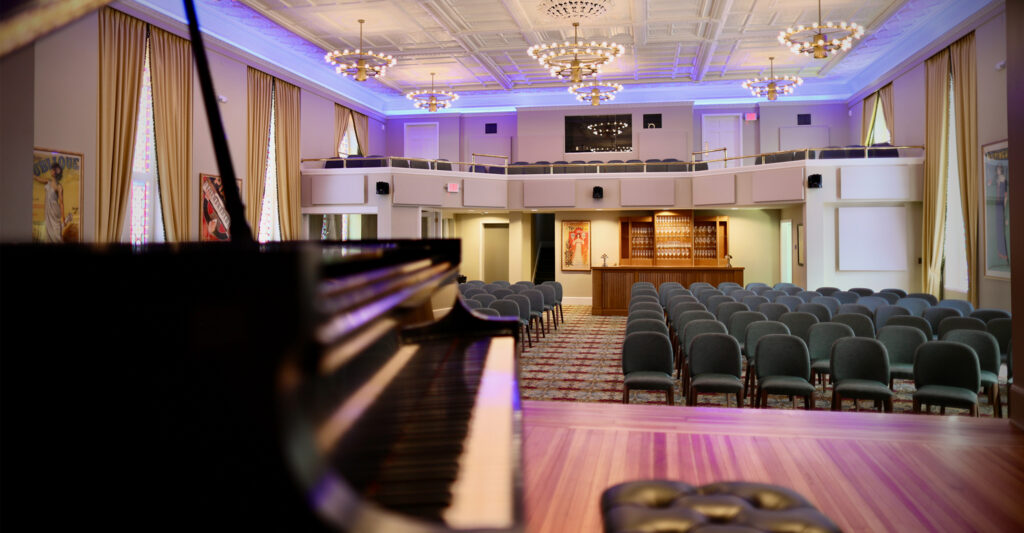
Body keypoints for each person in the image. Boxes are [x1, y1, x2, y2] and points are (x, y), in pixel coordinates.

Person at [33, 161, 66, 243]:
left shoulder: (59, 186)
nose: (51, 171)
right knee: (49, 233)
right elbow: (39, 179)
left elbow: (61, 203)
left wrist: (63, 218)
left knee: (56, 234)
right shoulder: (48, 181)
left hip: (54, 212)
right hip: (48, 211)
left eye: (52, 170)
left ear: (55, 172)